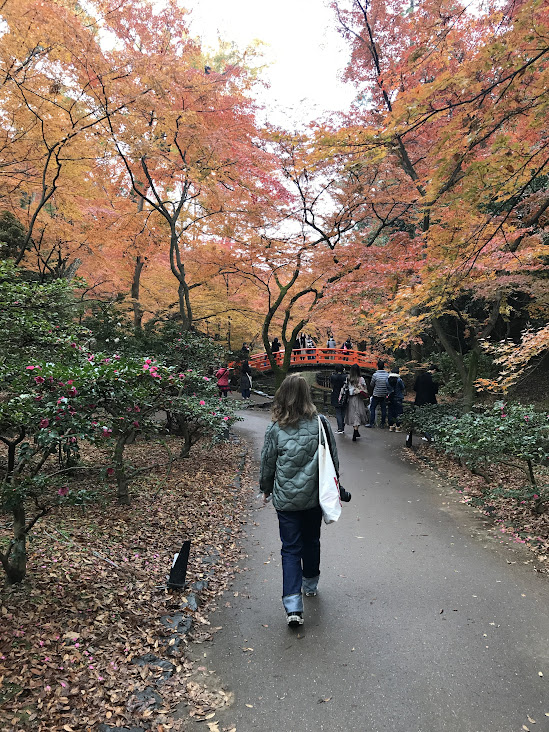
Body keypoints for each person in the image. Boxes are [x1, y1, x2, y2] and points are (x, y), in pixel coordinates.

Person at [260, 374, 339, 627]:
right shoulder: (321, 424)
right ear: (307, 396)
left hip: (286, 501)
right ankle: (311, 584)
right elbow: (332, 460)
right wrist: (335, 487)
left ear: (282, 395)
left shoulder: (275, 428)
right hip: (314, 497)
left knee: (290, 548)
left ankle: (293, 605)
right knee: (312, 541)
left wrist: (265, 488)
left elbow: (268, 463)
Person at [345, 363, 368, 441]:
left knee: (353, 413)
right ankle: (355, 430)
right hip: (358, 398)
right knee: (357, 413)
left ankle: (356, 430)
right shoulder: (361, 379)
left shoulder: (348, 378)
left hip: (351, 398)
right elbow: (365, 388)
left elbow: (346, 388)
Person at [368, 360, 389, 428]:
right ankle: (382, 424)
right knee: (383, 409)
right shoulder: (387, 375)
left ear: (377, 366)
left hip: (376, 394)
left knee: (372, 408)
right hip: (384, 394)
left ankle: (371, 423)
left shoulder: (375, 375)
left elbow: (372, 384)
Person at [387, 366, 405, 431]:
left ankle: (391, 426)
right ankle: (398, 426)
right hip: (398, 398)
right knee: (399, 412)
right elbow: (403, 387)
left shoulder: (387, 380)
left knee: (390, 412)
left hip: (390, 398)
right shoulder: (399, 380)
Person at [330, 364, 347, 434]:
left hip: (336, 395)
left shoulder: (333, 376)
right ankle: (342, 426)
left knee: (338, 412)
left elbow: (332, 385)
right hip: (344, 395)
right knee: (343, 412)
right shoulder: (345, 377)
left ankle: (340, 428)